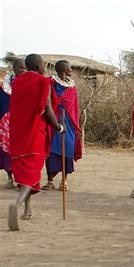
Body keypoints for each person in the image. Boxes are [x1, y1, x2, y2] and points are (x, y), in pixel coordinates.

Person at [8, 54, 63, 231]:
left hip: (18, 134)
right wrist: (59, 127)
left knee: (24, 172)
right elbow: (47, 111)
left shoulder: (17, 82)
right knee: (31, 174)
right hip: (34, 134)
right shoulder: (43, 82)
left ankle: (27, 209)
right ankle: (17, 204)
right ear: (39, 66)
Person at [42, 60, 82, 191]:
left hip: (69, 121)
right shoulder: (50, 83)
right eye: (70, 68)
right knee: (52, 149)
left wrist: (75, 122)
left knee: (68, 149)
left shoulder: (72, 86)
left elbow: (74, 106)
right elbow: (47, 102)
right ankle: (50, 180)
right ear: (64, 69)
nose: (71, 70)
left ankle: (64, 181)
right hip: (54, 120)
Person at [0, 59, 26, 189]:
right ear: (14, 67)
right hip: (6, 122)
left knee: (22, 151)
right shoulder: (3, 84)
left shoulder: (29, 83)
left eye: (25, 68)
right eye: (21, 67)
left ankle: (21, 180)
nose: (23, 70)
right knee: (7, 151)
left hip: (23, 122)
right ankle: (10, 177)